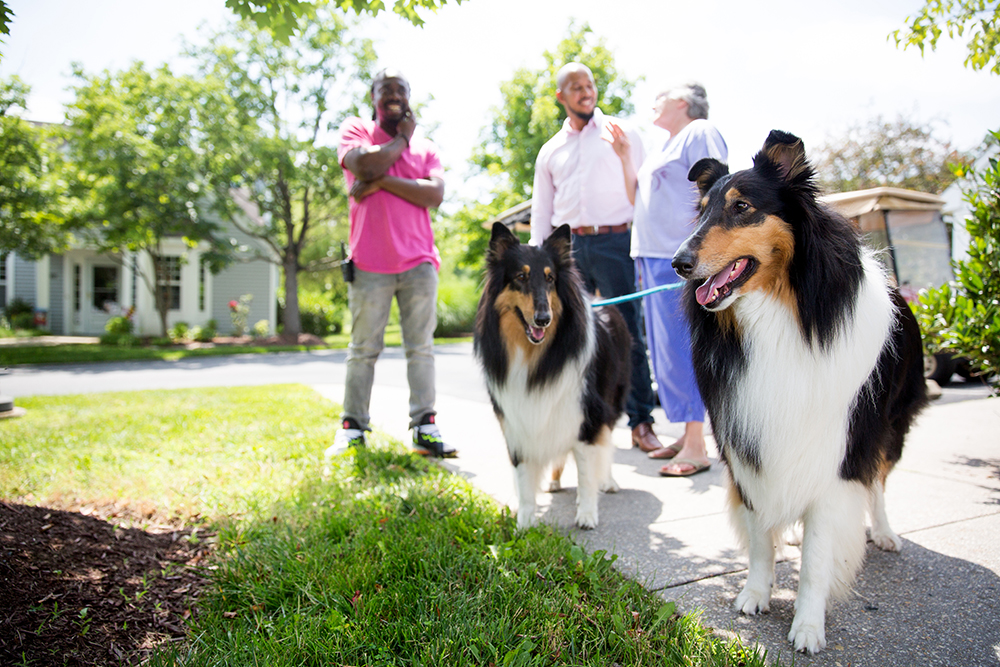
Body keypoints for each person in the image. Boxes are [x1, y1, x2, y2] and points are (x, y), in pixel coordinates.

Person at [530, 62, 664, 454]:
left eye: (589, 85)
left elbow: (641, 191)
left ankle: (642, 423)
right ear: (561, 96)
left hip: (616, 242)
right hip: (566, 252)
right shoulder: (550, 150)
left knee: (631, 332)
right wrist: (542, 264)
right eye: (576, 87)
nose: (585, 91)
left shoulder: (623, 134)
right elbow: (542, 211)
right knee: (567, 336)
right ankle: (573, 424)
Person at [330, 68, 456, 458]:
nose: (394, 95)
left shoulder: (427, 147)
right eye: (385, 90)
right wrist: (401, 140)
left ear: (409, 96)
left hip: (419, 263)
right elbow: (364, 166)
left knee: (421, 348)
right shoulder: (356, 131)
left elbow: (434, 194)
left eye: (401, 89)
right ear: (373, 98)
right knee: (363, 348)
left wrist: (382, 181)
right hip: (369, 263)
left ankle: (425, 428)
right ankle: (353, 429)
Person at [628, 82, 727, 476]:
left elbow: (714, 190)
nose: (654, 101)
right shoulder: (665, 144)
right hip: (652, 255)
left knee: (684, 348)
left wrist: (704, 254)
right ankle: (685, 436)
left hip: (679, 258)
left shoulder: (699, 131)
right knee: (665, 353)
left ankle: (697, 444)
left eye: (662, 95)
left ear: (683, 102)